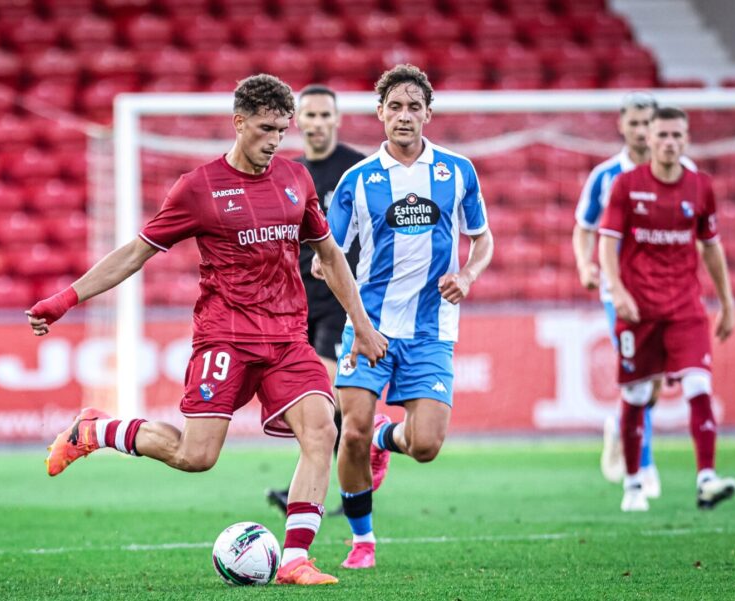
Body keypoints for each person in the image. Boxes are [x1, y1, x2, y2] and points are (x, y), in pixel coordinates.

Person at [28, 74, 388, 585]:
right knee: (195, 456)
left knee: (320, 428)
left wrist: (362, 325)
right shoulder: (199, 188)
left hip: (287, 336)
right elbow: (134, 253)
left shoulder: (295, 180)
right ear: (238, 122)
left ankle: (294, 561)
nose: (274, 141)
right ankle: (97, 429)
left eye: (282, 131)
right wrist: (66, 299)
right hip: (226, 337)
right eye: (265, 129)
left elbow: (329, 254)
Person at [321, 64, 494, 569]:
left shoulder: (458, 171)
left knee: (425, 445)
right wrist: (360, 321)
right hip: (368, 327)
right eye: (394, 106)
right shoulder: (359, 181)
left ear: (428, 114)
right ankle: (363, 541)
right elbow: (326, 258)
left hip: (431, 329)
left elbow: (481, 239)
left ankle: (384, 440)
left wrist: (468, 275)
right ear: (379, 113)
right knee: (348, 430)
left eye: (413, 106)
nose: (403, 115)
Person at [597, 105, 735, 513]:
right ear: (649, 139)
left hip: (685, 308)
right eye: (663, 135)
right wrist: (618, 291)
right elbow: (607, 241)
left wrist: (726, 302)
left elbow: (711, 247)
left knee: (698, 385)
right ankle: (634, 482)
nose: (670, 142)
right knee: (638, 394)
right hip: (638, 311)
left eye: (678, 135)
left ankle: (706, 478)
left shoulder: (700, 187)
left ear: (686, 139)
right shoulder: (625, 185)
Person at [573, 92, 696, 497]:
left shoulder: (684, 173)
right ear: (622, 125)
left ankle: (618, 427)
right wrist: (585, 264)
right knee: (640, 377)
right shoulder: (606, 177)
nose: (643, 131)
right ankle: (642, 466)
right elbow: (584, 226)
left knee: (656, 381)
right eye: (636, 123)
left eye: (649, 123)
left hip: (669, 294)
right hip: (620, 293)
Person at [266, 84, 366, 516]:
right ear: (298, 121)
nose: (319, 123)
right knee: (318, 401)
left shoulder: (357, 169)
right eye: (311, 115)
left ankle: (309, 490)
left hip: (340, 305)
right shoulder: (287, 173)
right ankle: (340, 482)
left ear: (337, 119)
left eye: (327, 115)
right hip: (295, 304)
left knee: (322, 394)